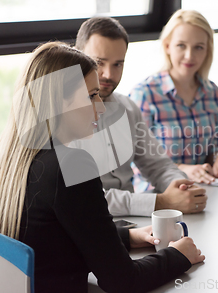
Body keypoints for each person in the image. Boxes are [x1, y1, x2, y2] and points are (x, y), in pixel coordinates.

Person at [0, 42, 204, 293]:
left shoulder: (10, 155)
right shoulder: (70, 164)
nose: (101, 107)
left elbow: (59, 233)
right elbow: (124, 281)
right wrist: (178, 255)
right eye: (91, 96)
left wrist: (129, 236)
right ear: (57, 102)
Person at [75, 17, 208, 217]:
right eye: (98, 63)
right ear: (77, 56)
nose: (108, 74)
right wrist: (161, 202)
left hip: (134, 222)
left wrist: (180, 188)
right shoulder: (63, 118)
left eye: (118, 64)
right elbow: (84, 199)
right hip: (91, 223)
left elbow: (158, 165)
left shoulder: (128, 108)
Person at [129, 9, 218, 184]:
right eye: (181, 45)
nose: (190, 56)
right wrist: (181, 170)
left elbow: (213, 146)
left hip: (204, 191)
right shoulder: (144, 94)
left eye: (199, 47)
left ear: (207, 50)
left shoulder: (212, 92)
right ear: (167, 46)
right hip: (160, 196)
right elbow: (134, 162)